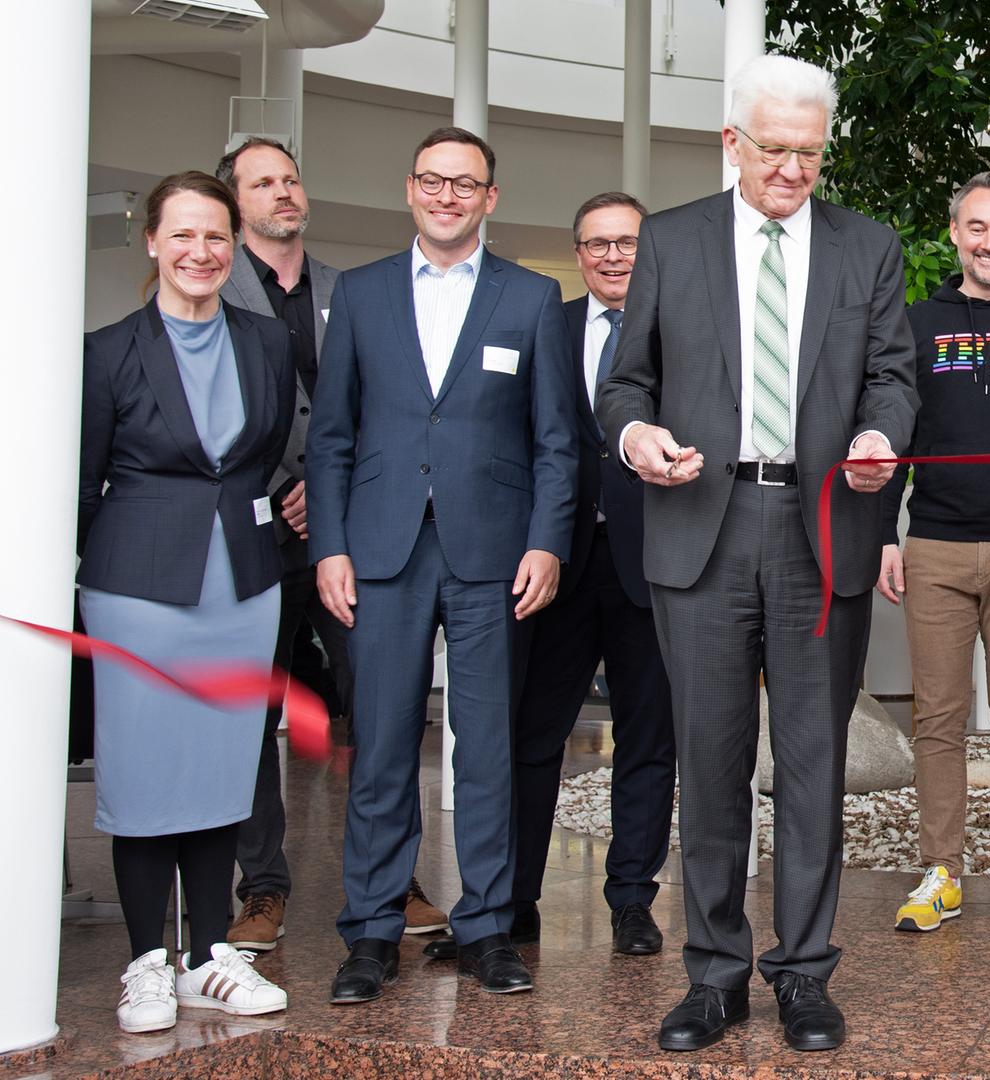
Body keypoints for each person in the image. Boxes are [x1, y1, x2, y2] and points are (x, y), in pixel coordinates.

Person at [596, 54, 917, 1054]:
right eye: (774, 148)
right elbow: (625, 382)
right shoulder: (672, 239)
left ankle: (805, 972)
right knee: (712, 759)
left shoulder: (868, 247)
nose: (791, 170)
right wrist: (636, 437)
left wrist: (880, 437)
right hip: (703, 520)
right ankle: (715, 975)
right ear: (732, 142)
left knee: (814, 761)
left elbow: (894, 377)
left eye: (810, 153)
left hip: (823, 523)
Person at [307, 127, 575, 1003]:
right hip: (380, 550)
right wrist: (330, 545)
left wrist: (547, 541)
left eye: (466, 183)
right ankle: (371, 931)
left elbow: (555, 441)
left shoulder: (531, 297)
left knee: (487, 746)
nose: (447, 196)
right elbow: (331, 437)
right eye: (433, 180)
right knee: (381, 743)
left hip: (495, 553)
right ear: (410, 189)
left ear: (490, 197)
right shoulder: (361, 293)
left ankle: (487, 927)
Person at [213, 137, 448, 954]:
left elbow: (387, 405)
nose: (283, 192)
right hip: (255, 533)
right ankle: (262, 888)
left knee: (382, 706)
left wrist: (326, 488)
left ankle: (394, 879)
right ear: (235, 202)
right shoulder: (216, 285)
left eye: (290, 179)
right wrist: (289, 483)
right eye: (263, 183)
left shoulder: (354, 290)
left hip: (351, 533)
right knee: (252, 714)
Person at [79, 171, 296, 1033]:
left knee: (220, 768)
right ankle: (146, 964)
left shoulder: (266, 341)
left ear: (232, 245)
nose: (200, 252)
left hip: (241, 585)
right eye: (182, 235)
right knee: (143, 774)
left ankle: (208, 956)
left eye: (215, 236)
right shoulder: (108, 351)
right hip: (137, 589)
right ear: (152, 242)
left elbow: (260, 457)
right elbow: (82, 482)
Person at [876, 172, 990, 934]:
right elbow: (893, 429)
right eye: (976, 227)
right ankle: (942, 872)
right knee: (939, 717)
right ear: (954, 234)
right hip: (936, 545)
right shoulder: (916, 322)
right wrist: (885, 534)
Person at [501, 191, 676, 955]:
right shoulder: (548, 326)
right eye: (597, 243)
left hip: (653, 562)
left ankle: (632, 900)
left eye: (627, 242)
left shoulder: (679, 334)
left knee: (648, 738)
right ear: (578, 254)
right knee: (533, 733)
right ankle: (515, 897)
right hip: (556, 561)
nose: (613, 256)